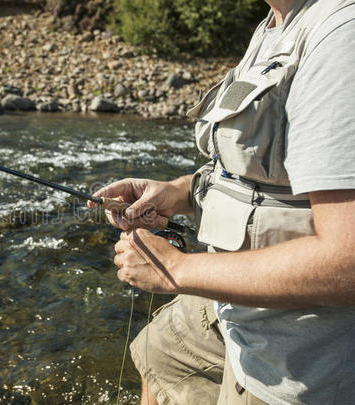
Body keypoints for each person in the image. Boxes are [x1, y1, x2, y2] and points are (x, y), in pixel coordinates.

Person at [89, 0, 355, 403]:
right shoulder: (275, 25)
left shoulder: (341, 39)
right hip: (239, 309)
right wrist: (180, 193)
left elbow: (348, 261)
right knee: (159, 351)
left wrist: (176, 270)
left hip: (297, 361)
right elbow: (259, 178)